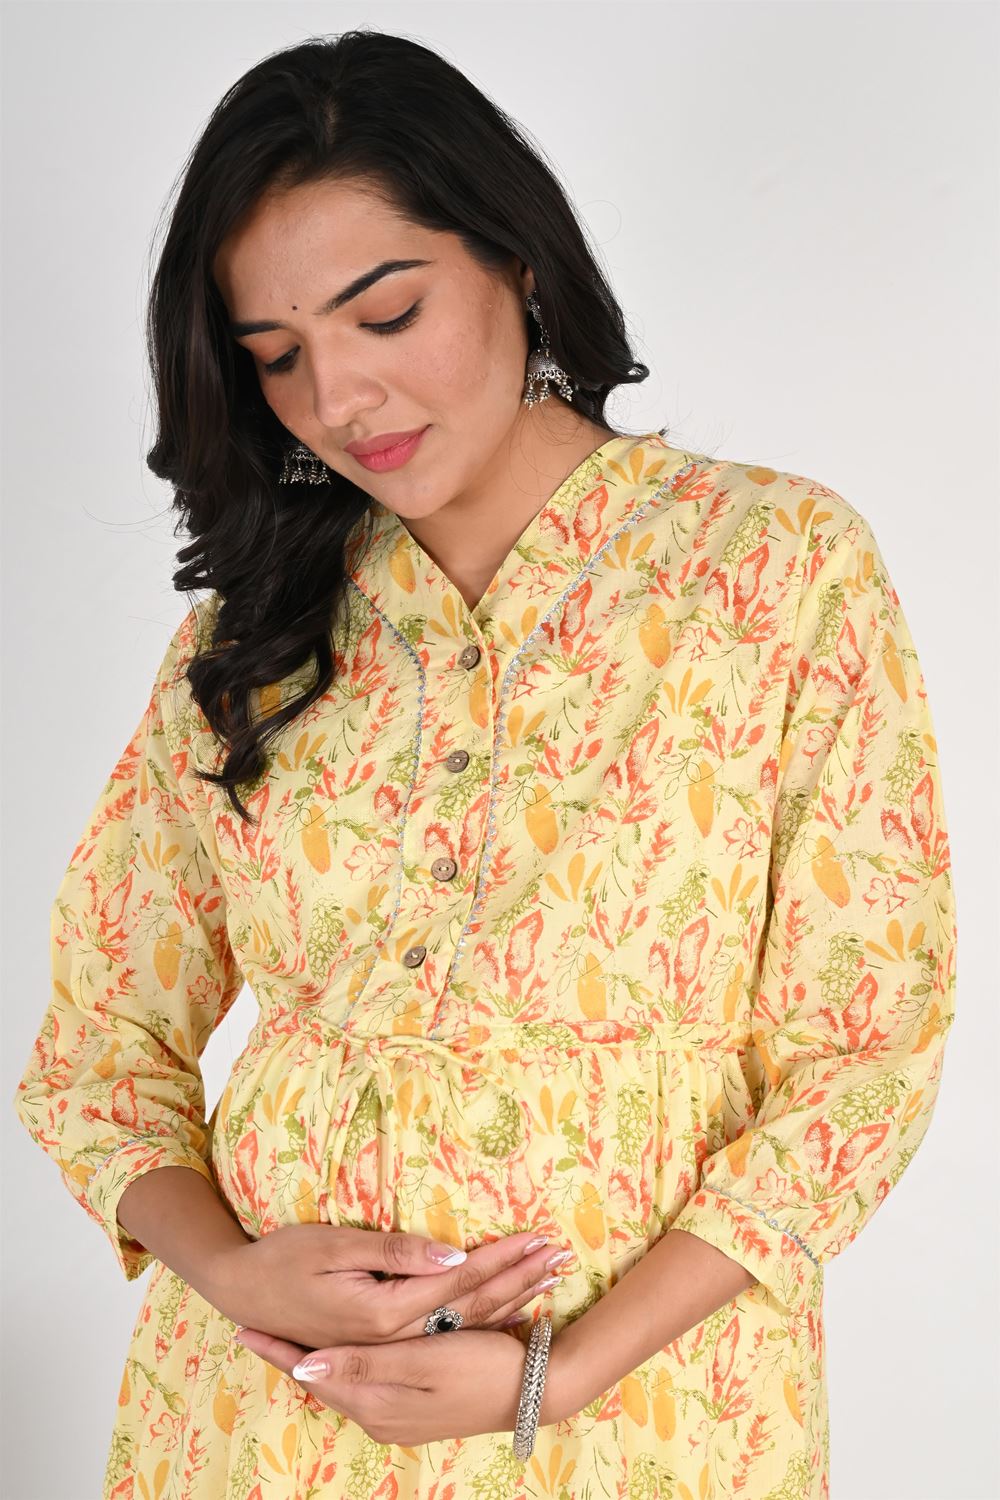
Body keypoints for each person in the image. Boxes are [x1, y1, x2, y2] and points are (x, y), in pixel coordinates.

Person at [12, 26, 957, 1500]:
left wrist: (551, 1377)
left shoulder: (774, 570)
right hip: (259, 1432)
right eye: (278, 357)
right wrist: (236, 1274)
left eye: (386, 314)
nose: (340, 399)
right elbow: (99, 1047)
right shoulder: (252, 637)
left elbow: (863, 1056)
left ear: (516, 259)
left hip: (648, 1426)